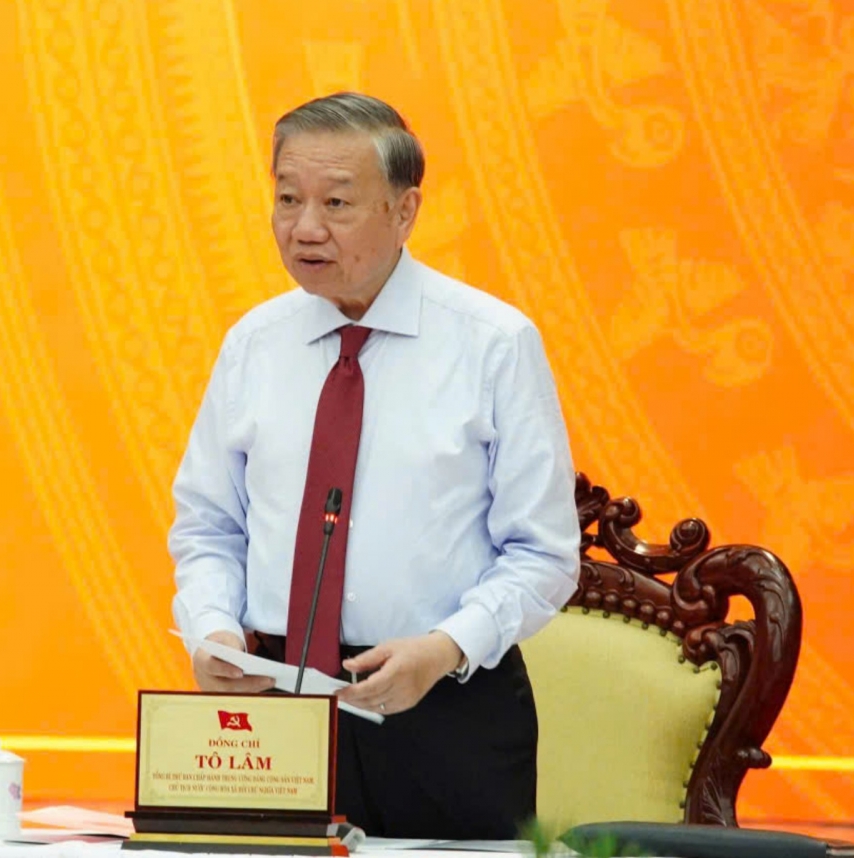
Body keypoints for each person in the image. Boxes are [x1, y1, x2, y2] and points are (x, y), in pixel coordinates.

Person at [169, 92, 581, 839]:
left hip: (444, 708)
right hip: (275, 708)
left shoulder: (493, 343)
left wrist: (445, 649)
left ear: (404, 210)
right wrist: (212, 630)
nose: (305, 228)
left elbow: (543, 554)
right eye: (287, 199)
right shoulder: (254, 344)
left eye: (336, 203)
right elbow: (208, 527)